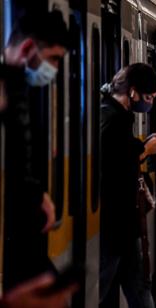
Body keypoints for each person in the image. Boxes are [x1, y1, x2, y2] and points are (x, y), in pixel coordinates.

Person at [2, 10, 69, 291]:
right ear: (29, 48)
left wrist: (37, 193)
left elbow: (18, 160)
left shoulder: (17, 88)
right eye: (53, 58)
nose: (53, 69)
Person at [100, 63, 156, 308]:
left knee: (138, 286)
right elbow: (111, 163)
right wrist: (144, 150)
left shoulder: (113, 113)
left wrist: (143, 147)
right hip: (116, 222)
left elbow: (121, 152)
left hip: (124, 224)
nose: (149, 103)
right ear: (133, 92)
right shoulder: (112, 117)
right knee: (105, 285)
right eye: (148, 97)